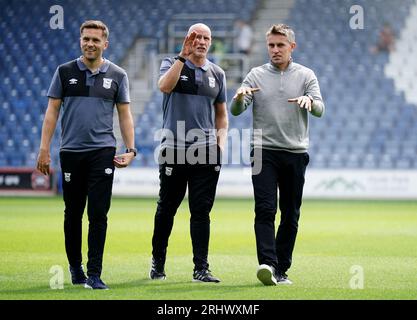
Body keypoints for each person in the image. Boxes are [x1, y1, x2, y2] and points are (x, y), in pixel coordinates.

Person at [36, 20, 136, 290]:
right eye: (86, 39)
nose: (90, 43)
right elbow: (52, 112)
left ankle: (94, 273)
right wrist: (44, 149)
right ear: (80, 40)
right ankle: (75, 268)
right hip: (70, 151)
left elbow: (125, 115)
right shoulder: (64, 71)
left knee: (99, 214)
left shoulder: (117, 75)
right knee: (73, 213)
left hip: (102, 152)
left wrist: (130, 149)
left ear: (106, 43)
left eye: (95, 39)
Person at [230, 24, 324, 285]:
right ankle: (267, 264)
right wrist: (239, 97)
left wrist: (310, 102)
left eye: (280, 45)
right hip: (263, 151)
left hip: (295, 152)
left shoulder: (306, 75)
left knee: (290, 213)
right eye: (271, 45)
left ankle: (282, 268)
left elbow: (320, 109)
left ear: (291, 47)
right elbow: (236, 109)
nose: (274, 50)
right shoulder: (255, 75)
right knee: (265, 208)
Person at [150, 23, 228, 283]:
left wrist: (220, 146)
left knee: (201, 212)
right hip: (174, 149)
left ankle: (201, 268)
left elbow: (221, 114)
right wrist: (182, 57)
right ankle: (157, 262)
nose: (202, 42)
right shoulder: (171, 63)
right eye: (197, 37)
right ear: (188, 40)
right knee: (166, 209)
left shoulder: (217, 73)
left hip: (206, 152)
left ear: (211, 41)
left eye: (206, 38)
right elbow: (164, 86)